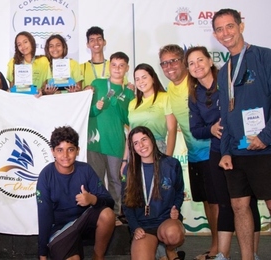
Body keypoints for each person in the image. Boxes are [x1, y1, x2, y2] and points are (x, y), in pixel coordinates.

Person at [186, 46, 261, 260]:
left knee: (248, 201)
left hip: (242, 148)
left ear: (210, 61)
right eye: (191, 63)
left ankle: (252, 254)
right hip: (217, 152)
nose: (196, 66)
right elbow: (195, 129)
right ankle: (222, 254)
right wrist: (210, 129)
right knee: (224, 202)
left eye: (200, 60)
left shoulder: (228, 81)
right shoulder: (194, 95)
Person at [213, 8, 271, 260]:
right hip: (235, 152)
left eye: (229, 26)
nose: (225, 33)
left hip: (265, 148)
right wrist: (225, 151)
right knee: (239, 206)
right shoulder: (223, 71)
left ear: (240, 26)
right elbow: (225, 116)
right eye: (219, 29)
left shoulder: (264, 57)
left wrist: (266, 137)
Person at [158, 44, 216, 259]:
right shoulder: (169, 90)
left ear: (183, 62)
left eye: (174, 60)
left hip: (212, 151)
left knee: (217, 202)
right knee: (208, 202)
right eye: (164, 63)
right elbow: (172, 129)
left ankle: (218, 248)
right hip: (193, 154)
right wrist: (168, 161)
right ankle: (215, 247)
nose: (169, 66)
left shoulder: (195, 83)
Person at [36, 126, 116, 260]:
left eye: (70, 149)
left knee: (107, 215)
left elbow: (110, 202)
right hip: (61, 230)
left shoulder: (85, 170)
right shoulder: (46, 175)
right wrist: (42, 254)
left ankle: (98, 256)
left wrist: (92, 199)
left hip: (83, 224)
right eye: (60, 150)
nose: (65, 155)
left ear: (77, 151)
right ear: (53, 152)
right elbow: (44, 216)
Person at [123, 126, 185, 260]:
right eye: (136, 143)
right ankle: (158, 250)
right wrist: (135, 227)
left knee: (173, 235)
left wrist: (176, 207)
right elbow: (126, 205)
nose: (141, 145)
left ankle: (169, 249)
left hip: (166, 221)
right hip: (144, 226)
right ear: (132, 148)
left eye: (144, 139)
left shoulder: (171, 164)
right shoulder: (128, 171)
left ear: (152, 140)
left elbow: (179, 191)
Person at [87, 52, 135, 223]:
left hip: (115, 142)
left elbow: (128, 119)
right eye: (114, 65)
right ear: (109, 66)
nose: (117, 69)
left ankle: (115, 214)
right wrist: (96, 109)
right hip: (94, 141)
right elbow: (86, 111)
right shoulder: (97, 84)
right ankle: (97, 213)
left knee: (115, 179)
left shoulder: (129, 93)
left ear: (127, 68)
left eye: (121, 65)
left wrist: (119, 104)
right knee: (96, 179)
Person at [127, 63, 177, 156]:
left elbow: (172, 129)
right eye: (137, 79)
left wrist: (168, 158)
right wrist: (125, 160)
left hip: (157, 148)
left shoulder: (165, 97)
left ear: (153, 78)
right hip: (136, 151)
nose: (141, 81)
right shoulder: (132, 103)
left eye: (144, 77)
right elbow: (130, 133)